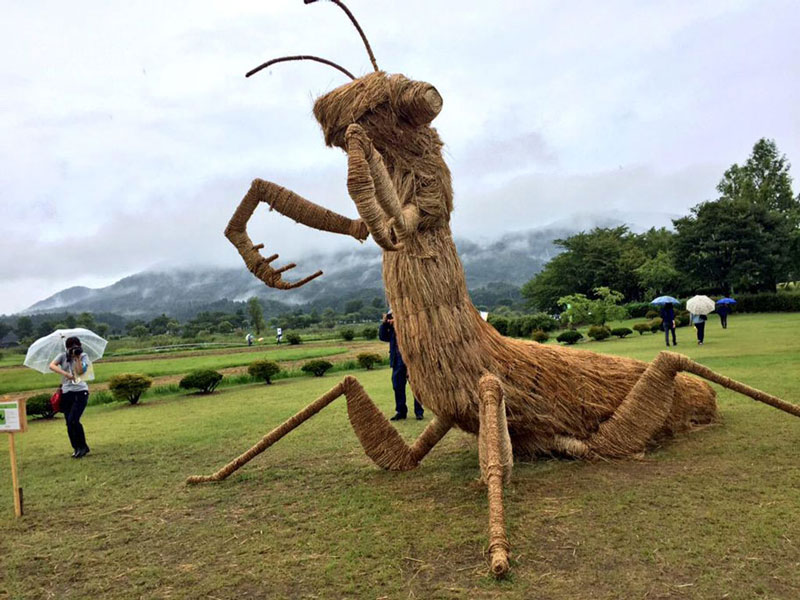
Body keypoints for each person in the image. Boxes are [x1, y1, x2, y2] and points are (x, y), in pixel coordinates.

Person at [48, 336, 91, 458]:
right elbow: (52, 365)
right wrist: (66, 373)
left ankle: (83, 447)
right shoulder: (63, 356)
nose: (74, 348)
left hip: (80, 392)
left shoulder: (83, 356)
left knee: (74, 420)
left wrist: (77, 358)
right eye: (71, 346)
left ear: (80, 345)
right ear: (67, 347)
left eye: (76, 346)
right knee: (68, 422)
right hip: (67, 393)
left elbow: (81, 371)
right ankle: (76, 448)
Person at [379, 310, 424, 421]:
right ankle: (401, 411)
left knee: (416, 386)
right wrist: (384, 324)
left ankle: (419, 412)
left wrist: (399, 322)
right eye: (391, 316)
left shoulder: (411, 324)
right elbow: (383, 337)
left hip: (412, 361)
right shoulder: (393, 330)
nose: (392, 318)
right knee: (397, 386)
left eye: (393, 316)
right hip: (397, 360)